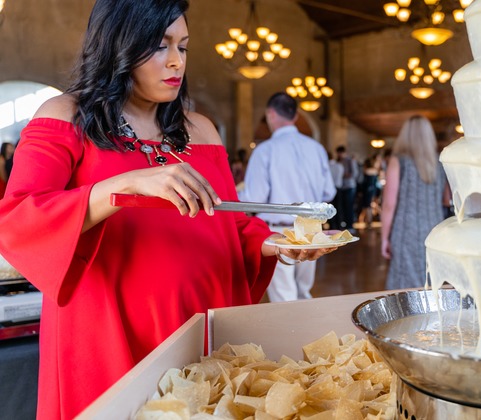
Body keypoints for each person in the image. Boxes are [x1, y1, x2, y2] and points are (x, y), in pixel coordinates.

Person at [0, 1, 332, 418]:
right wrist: (123, 185)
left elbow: (231, 221)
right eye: (160, 46)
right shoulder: (65, 117)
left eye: (184, 47)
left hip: (200, 322)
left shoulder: (201, 130)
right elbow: (18, 218)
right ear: (118, 46)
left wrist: (278, 243)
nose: (176, 62)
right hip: (108, 330)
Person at [240, 92, 337, 302]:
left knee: (284, 296)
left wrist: (232, 195)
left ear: (270, 114)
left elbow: (254, 197)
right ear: (295, 117)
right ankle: (308, 334)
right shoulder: (316, 148)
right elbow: (329, 191)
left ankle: (296, 335)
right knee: (303, 292)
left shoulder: (265, 150)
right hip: (310, 228)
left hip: (278, 231)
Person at [382, 116, 447, 290]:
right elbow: (446, 199)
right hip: (435, 230)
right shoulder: (439, 162)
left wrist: (384, 238)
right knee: (431, 281)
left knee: (405, 284)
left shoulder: (398, 161)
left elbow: (389, 204)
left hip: (406, 231)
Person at [335, 145, 359, 232]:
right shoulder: (338, 161)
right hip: (341, 186)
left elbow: (355, 173)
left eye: (340, 153)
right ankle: (344, 224)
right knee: (342, 207)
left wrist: (344, 175)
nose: (339, 154)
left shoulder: (349, 161)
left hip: (349, 186)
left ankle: (350, 225)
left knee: (349, 206)